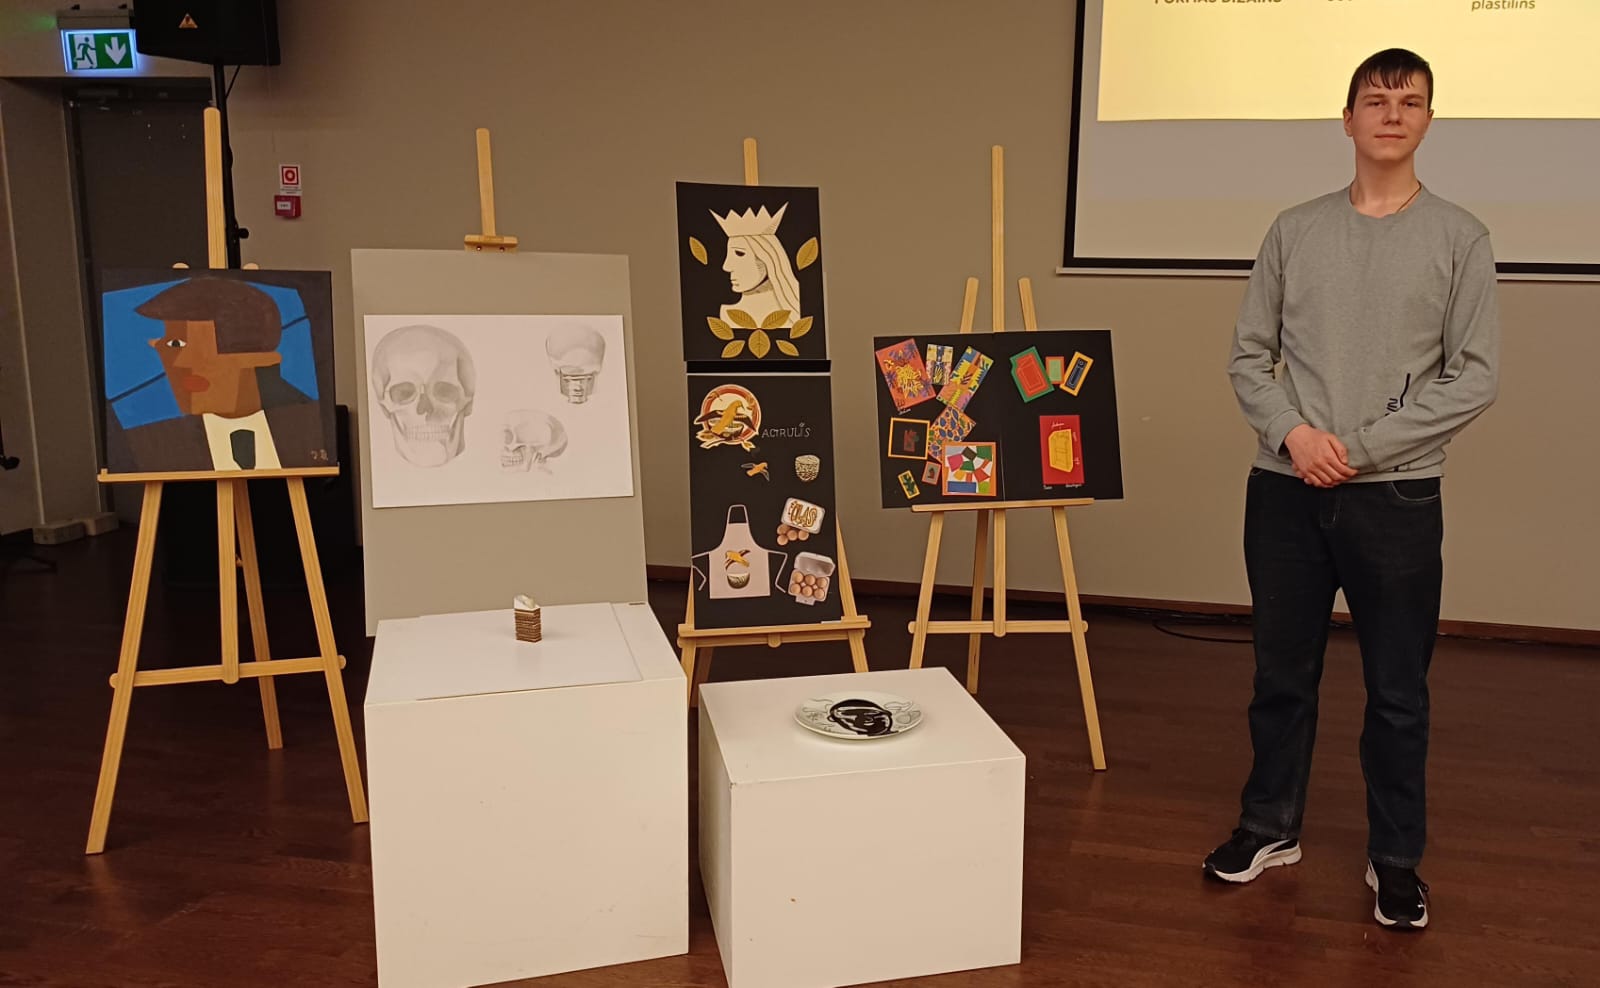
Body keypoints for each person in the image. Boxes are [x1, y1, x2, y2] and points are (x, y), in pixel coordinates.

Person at [1208, 48, 1500, 932]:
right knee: (1280, 674)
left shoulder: (1461, 237)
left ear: (1429, 121)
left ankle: (1395, 860)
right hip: (1285, 486)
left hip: (1397, 497)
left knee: (1398, 690)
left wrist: (1361, 450)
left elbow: (1475, 376)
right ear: (1347, 120)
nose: (1392, 114)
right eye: (1376, 100)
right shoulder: (1294, 230)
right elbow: (1248, 357)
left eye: (1410, 101)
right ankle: (1270, 827)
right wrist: (1295, 437)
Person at [107, 276, 327, 473]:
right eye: (174, 345)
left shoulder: (311, 429)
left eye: (196, 347)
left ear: (259, 358)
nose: (181, 363)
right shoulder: (150, 446)